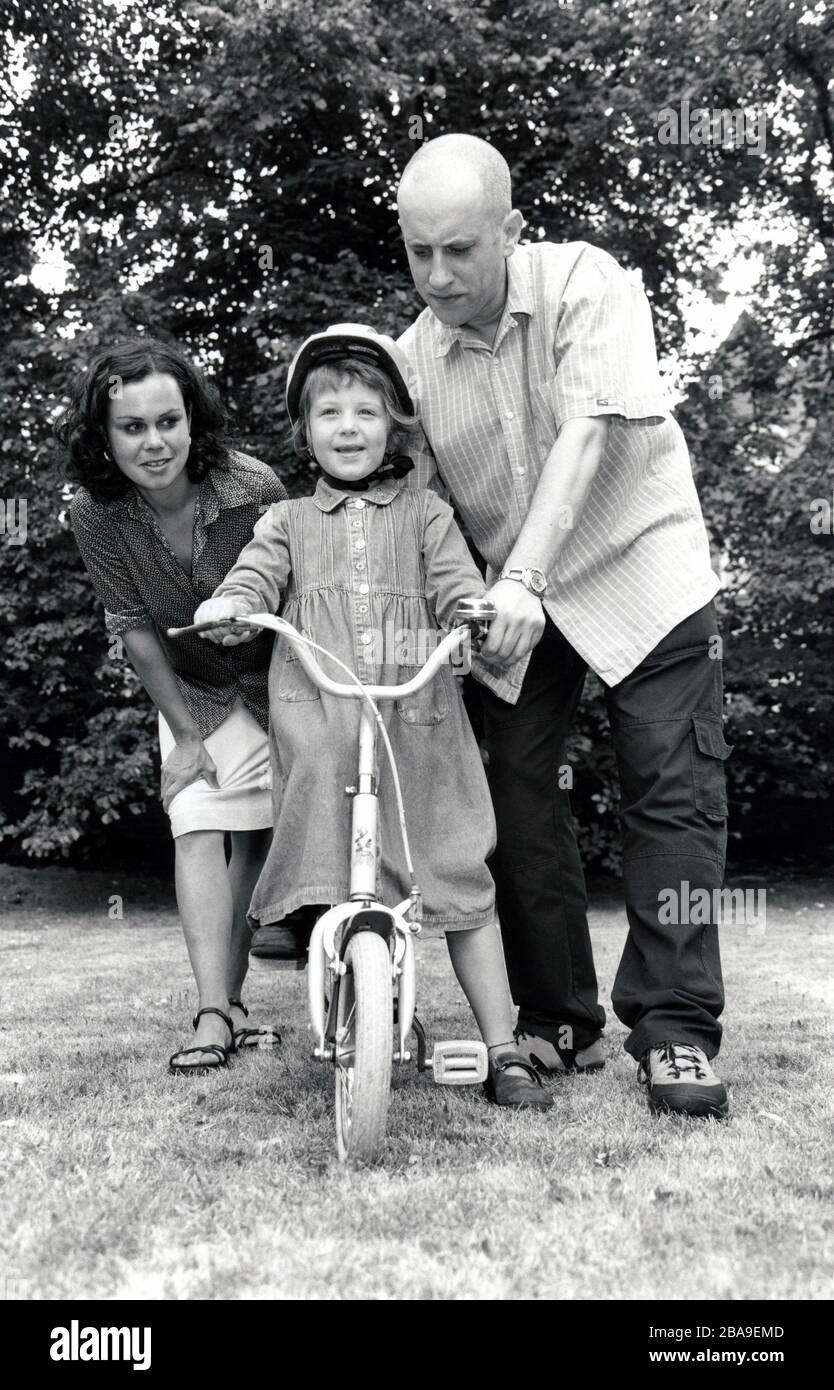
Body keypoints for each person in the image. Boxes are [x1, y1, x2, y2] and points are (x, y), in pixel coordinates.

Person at [395, 133, 731, 1118]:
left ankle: (675, 1029)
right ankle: (555, 1019)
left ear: (510, 229)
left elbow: (587, 434)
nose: (438, 275)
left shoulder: (591, 283)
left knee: (674, 795)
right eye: (418, 252)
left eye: (460, 249)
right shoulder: (413, 361)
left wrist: (530, 576)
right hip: (515, 601)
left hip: (643, 570)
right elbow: (416, 510)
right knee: (504, 791)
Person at [193, 323, 552, 1110]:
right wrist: (235, 602)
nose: (347, 427)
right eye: (329, 413)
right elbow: (256, 575)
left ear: (394, 424)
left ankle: (503, 1046)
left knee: (455, 870)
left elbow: (458, 582)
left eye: (365, 410)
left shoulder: (425, 513)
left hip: (415, 718)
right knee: (320, 770)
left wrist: (471, 610)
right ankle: (302, 912)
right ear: (304, 430)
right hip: (321, 708)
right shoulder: (285, 521)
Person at [59, 338, 287, 1074]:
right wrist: (186, 737)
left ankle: (235, 999)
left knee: (254, 836)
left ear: (193, 420)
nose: (154, 443)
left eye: (168, 421)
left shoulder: (254, 486)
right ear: (105, 436)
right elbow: (131, 624)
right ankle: (210, 1013)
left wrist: (254, 615)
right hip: (186, 684)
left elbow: (296, 590)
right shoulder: (95, 512)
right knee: (194, 820)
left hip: (272, 676)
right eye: (132, 428)